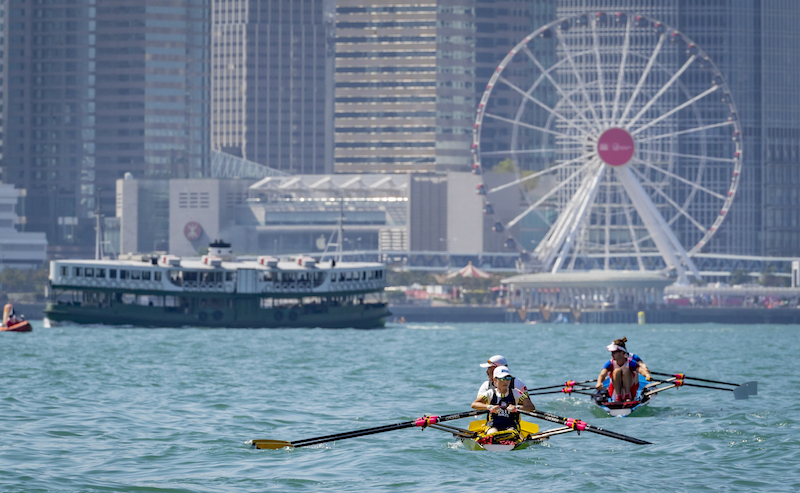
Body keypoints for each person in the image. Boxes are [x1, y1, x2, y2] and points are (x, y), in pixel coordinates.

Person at [472, 366, 535, 434]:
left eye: (508, 378)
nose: (505, 381)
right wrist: (490, 407)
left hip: (511, 425)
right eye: (502, 378)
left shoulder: (516, 393)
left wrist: (516, 408)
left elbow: (531, 407)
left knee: (509, 434)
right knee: (492, 434)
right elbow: (474, 404)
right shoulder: (490, 393)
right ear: (494, 380)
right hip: (493, 425)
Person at [595, 337, 652, 402]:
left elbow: (641, 369)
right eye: (611, 352)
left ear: (622, 352)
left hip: (631, 392)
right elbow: (602, 374)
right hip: (614, 392)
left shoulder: (631, 362)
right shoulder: (609, 363)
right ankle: (617, 397)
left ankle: (628, 396)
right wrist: (599, 382)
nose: (612, 354)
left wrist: (647, 375)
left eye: (614, 352)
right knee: (616, 371)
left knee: (626, 370)